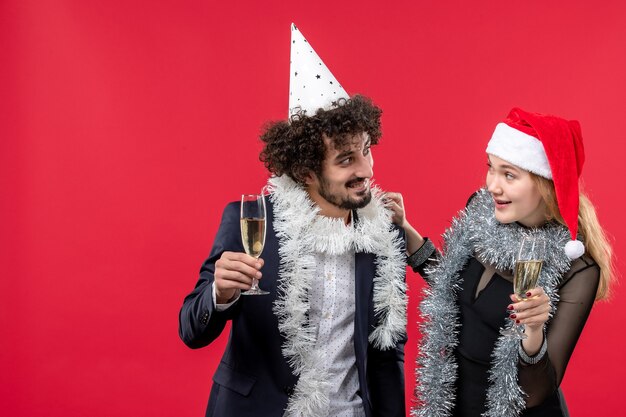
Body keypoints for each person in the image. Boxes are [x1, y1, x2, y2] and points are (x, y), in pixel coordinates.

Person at [178, 24, 407, 417]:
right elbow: (191, 330)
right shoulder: (250, 222)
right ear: (305, 172)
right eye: (346, 159)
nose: (366, 169)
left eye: (367, 151)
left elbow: (386, 353)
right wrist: (221, 295)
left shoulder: (383, 233)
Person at [387, 108, 614, 417]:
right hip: (455, 404)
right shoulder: (482, 213)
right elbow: (453, 286)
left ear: (546, 184)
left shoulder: (577, 268)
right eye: (491, 168)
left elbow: (535, 393)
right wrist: (407, 229)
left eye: (509, 174)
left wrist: (533, 332)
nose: (493, 185)